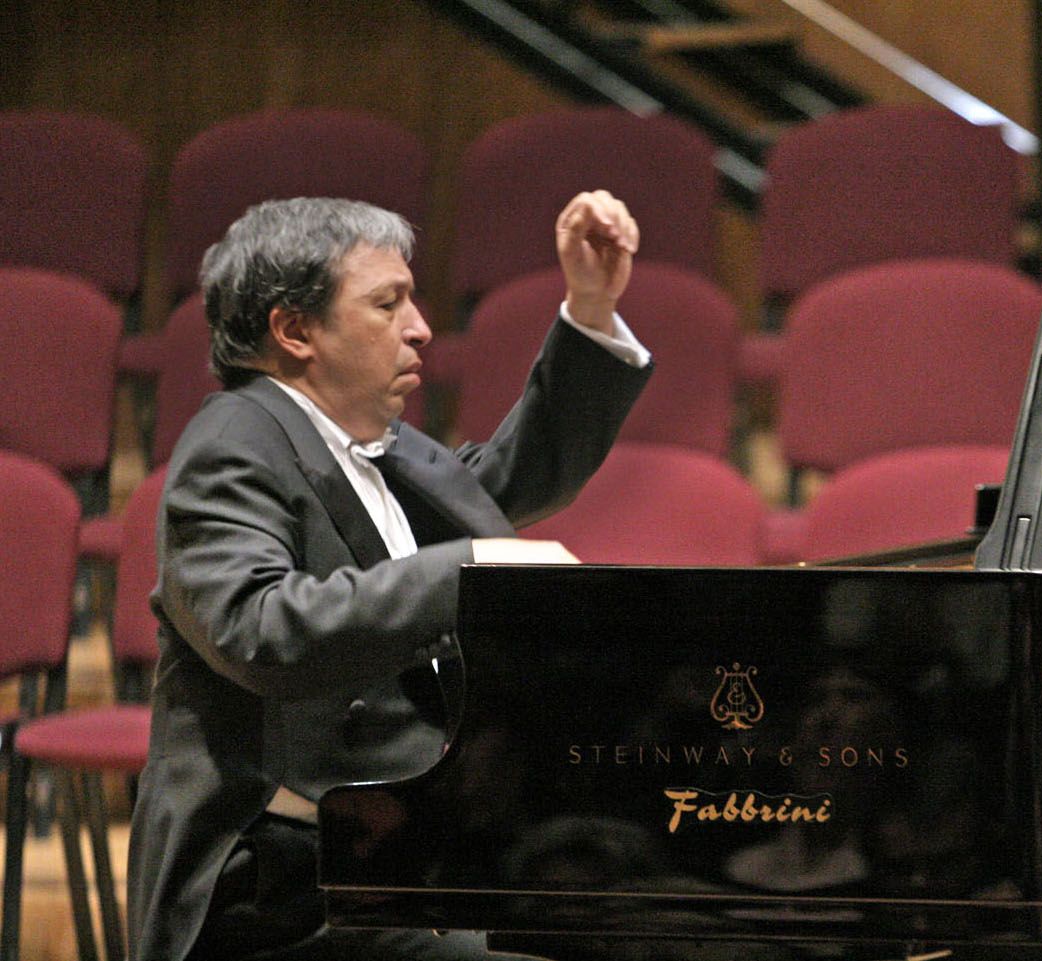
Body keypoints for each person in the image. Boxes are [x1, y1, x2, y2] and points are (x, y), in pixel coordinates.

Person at [126, 192, 653, 960]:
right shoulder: (235, 438)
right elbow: (258, 628)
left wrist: (592, 310)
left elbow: (506, 480)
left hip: (392, 854)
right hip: (283, 887)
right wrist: (469, 567)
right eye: (387, 303)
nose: (420, 327)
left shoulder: (374, 445)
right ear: (294, 330)